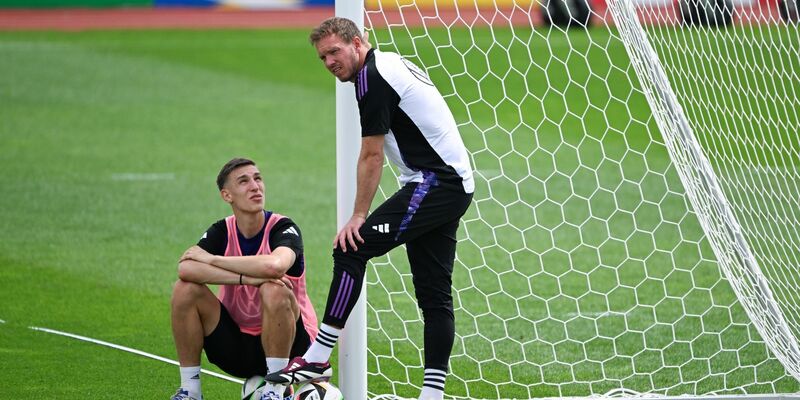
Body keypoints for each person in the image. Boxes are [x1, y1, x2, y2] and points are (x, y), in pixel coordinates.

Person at [266, 17, 474, 400]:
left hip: (437, 181)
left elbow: (372, 154)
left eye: (334, 51)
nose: (329, 62)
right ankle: (432, 395)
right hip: (449, 182)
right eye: (322, 57)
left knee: (351, 245)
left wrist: (359, 216)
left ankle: (317, 355)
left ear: (357, 43)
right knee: (433, 295)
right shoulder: (387, 64)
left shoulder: (372, 78)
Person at [170, 157, 318, 400]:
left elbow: (274, 265)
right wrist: (247, 279)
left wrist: (213, 259)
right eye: (244, 181)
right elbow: (186, 269)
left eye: (258, 178)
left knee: (274, 288)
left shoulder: (283, 228)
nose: (255, 186)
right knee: (184, 289)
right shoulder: (221, 230)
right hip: (236, 347)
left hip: (292, 349)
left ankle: (277, 389)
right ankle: (190, 390)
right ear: (227, 196)